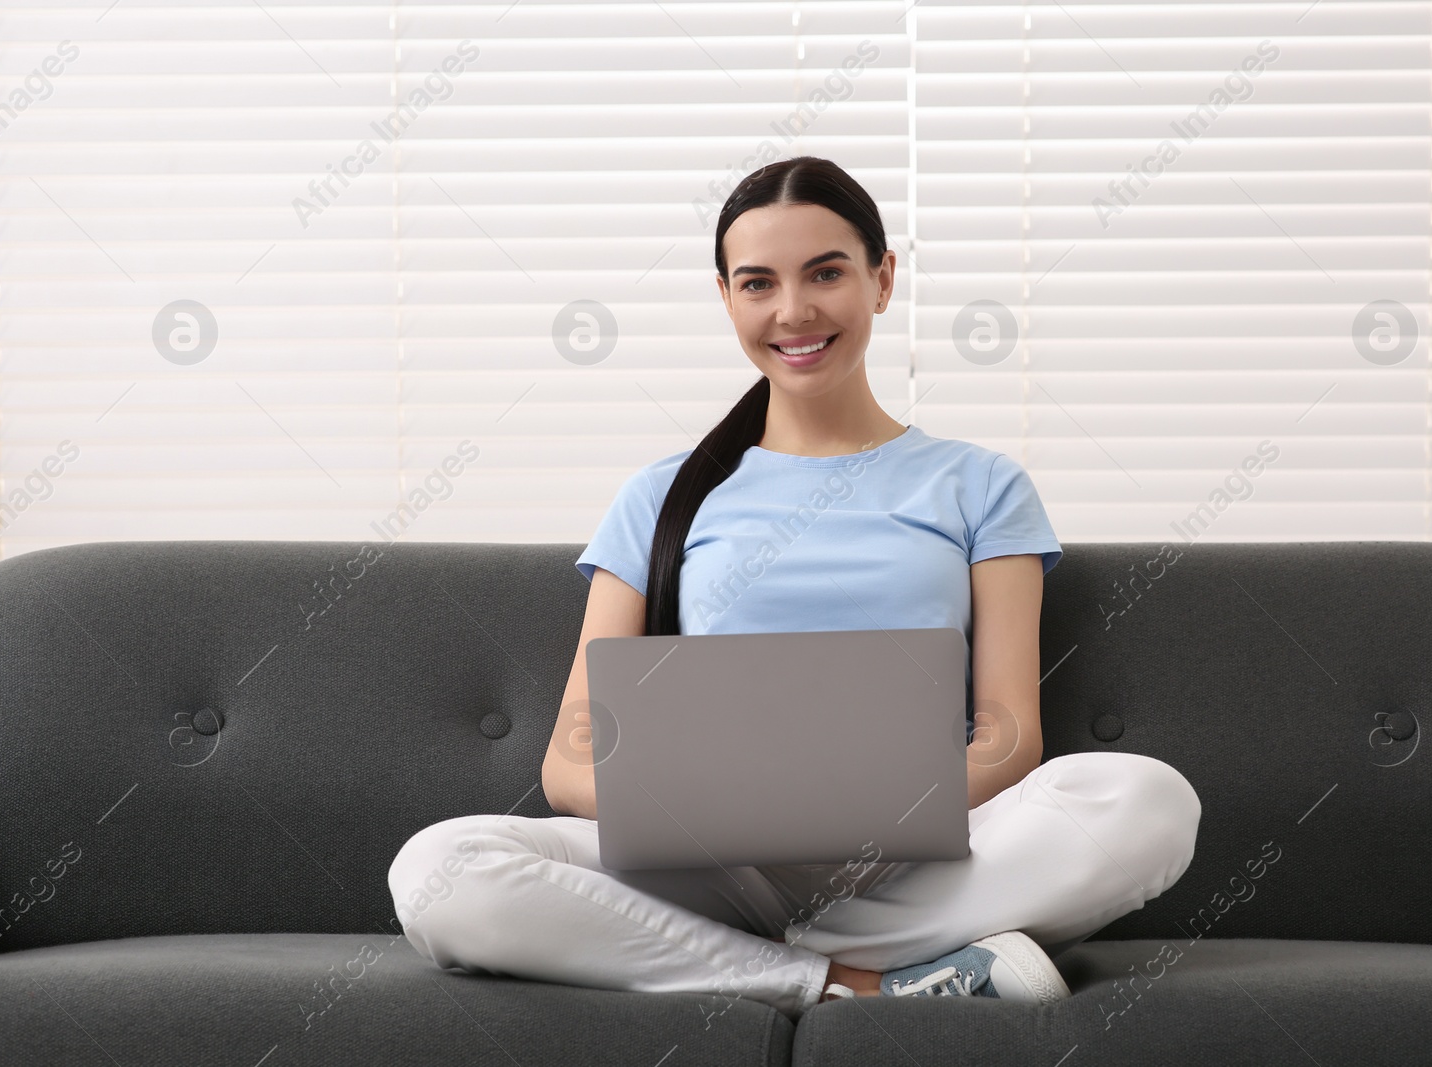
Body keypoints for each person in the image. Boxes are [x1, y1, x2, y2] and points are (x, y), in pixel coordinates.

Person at [387, 156, 1202, 1021]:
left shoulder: (980, 486)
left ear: (882, 281)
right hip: (708, 865)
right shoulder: (659, 495)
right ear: (727, 298)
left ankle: (747, 961)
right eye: (758, 283)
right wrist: (713, 806)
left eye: (825, 273)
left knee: (1148, 800)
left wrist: (862, 814)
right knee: (439, 868)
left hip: (915, 861)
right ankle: (850, 983)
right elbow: (571, 759)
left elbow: (1006, 737)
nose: (793, 310)